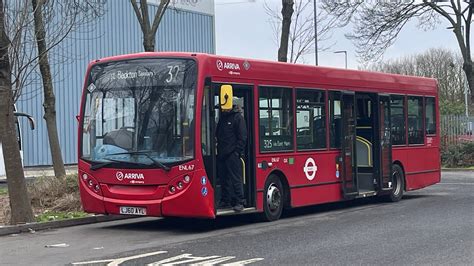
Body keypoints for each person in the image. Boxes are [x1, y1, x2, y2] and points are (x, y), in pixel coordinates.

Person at [216, 100, 247, 212]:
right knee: (224, 179)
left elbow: (242, 137)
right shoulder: (223, 118)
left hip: (232, 154)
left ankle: (240, 201)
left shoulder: (238, 118)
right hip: (222, 154)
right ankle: (225, 201)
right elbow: (217, 134)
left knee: (235, 178)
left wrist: (236, 152)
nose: (221, 108)